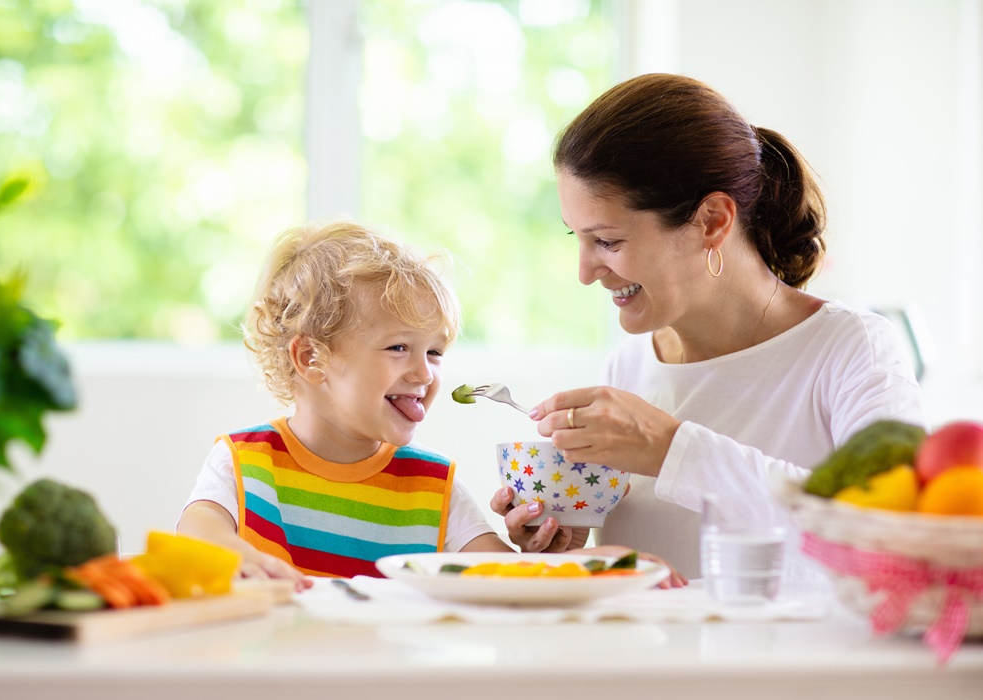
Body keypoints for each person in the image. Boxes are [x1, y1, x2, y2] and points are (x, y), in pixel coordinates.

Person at [490, 73, 925, 581]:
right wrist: (571, 540)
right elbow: (648, 579)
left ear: (713, 221)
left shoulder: (852, 349)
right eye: (577, 238)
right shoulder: (627, 367)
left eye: (607, 241)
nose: (585, 273)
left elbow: (891, 533)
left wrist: (671, 448)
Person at [178, 220, 517, 589]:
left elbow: (508, 578)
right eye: (399, 347)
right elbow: (197, 531)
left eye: (434, 352)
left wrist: (548, 539)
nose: (424, 373)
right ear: (310, 358)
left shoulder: (434, 486)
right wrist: (237, 555)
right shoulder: (245, 462)